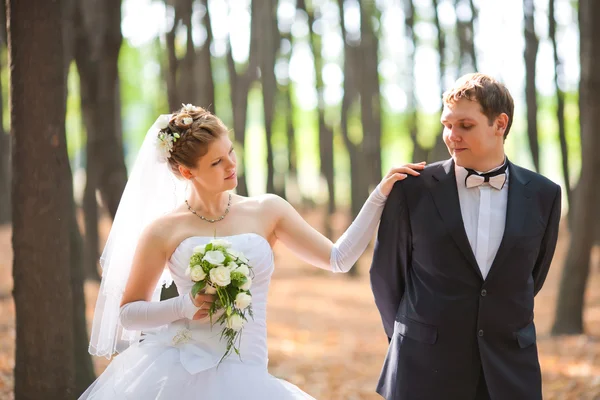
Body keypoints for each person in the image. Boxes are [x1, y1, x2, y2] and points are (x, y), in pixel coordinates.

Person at [80, 104, 424, 399]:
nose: (231, 165)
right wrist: (184, 306)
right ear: (187, 172)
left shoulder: (267, 210)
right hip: (181, 373)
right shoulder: (164, 230)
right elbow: (128, 313)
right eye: (216, 163)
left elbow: (338, 257)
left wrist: (379, 194)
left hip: (250, 373)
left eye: (230, 152)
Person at [370, 73, 562, 400]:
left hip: (509, 371)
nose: (451, 135)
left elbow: (533, 276)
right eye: (447, 124)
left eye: (465, 126)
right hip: (423, 370)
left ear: (500, 124)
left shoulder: (544, 194)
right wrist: (410, 337)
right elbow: (386, 276)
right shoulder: (411, 189)